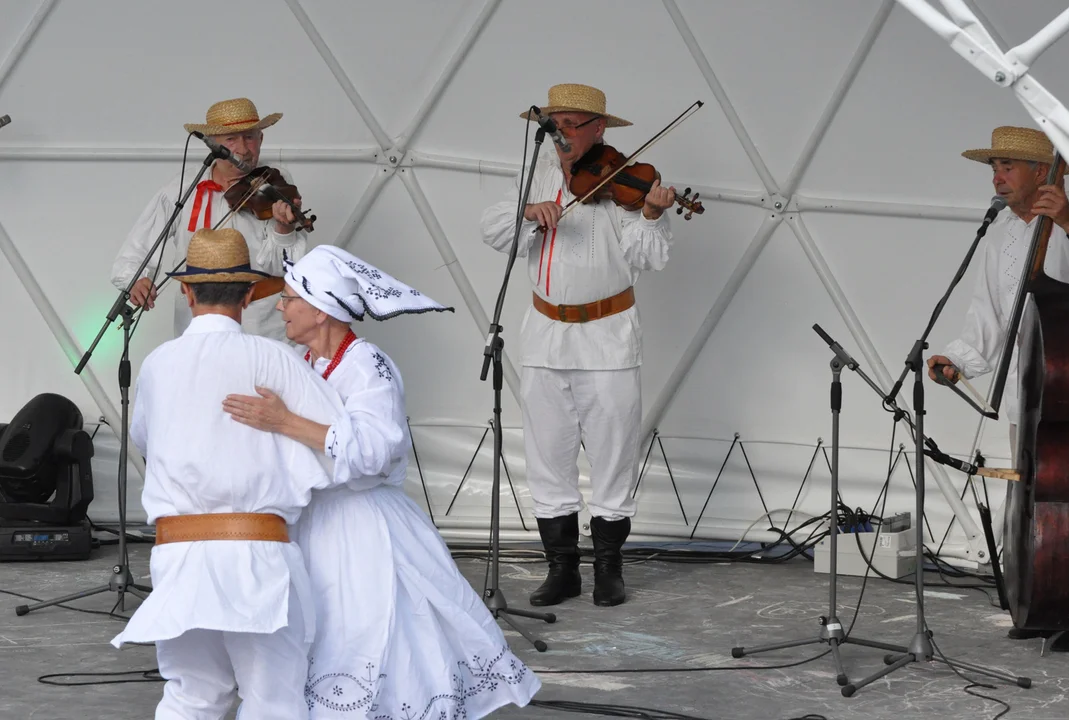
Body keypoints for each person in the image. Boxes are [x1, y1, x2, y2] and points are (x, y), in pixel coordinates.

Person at [221, 245, 540, 719]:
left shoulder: (368, 366)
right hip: (313, 519)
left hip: (362, 523)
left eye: (289, 298)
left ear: (323, 309)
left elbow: (372, 454)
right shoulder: (305, 363)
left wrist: (285, 422)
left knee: (370, 628)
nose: (280, 307)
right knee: (318, 629)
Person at [110, 228, 353, 719]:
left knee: (191, 694)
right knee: (274, 699)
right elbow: (339, 448)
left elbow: (145, 441)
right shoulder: (275, 359)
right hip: (258, 555)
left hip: (178, 554)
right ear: (249, 294)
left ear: (186, 291)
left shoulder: (157, 365)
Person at [479, 84, 677, 608]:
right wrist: (527, 211)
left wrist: (653, 214)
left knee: (613, 451)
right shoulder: (535, 173)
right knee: (548, 452)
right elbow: (494, 230)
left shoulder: (625, 177)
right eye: (555, 123)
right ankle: (561, 569)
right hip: (544, 332)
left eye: (573, 123)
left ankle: (608, 567)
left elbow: (649, 258)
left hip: (608, 334)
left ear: (599, 129)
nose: (561, 132)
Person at [926, 125, 1069, 651]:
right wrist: (958, 358)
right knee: (1041, 502)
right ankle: (1048, 599)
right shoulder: (1000, 236)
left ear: (1044, 172)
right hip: (1041, 389)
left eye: (1007, 167)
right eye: (994, 168)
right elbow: (990, 318)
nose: (996, 178)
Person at [110, 97, 307, 342]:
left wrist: (283, 228)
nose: (243, 149)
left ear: (261, 139)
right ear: (213, 145)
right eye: (231, 139)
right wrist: (137, 278)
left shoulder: (275, 183)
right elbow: (136, 249)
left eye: (250, 137)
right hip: (196, 324)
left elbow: (285, 267)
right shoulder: (183, 187)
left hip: (261, 324)